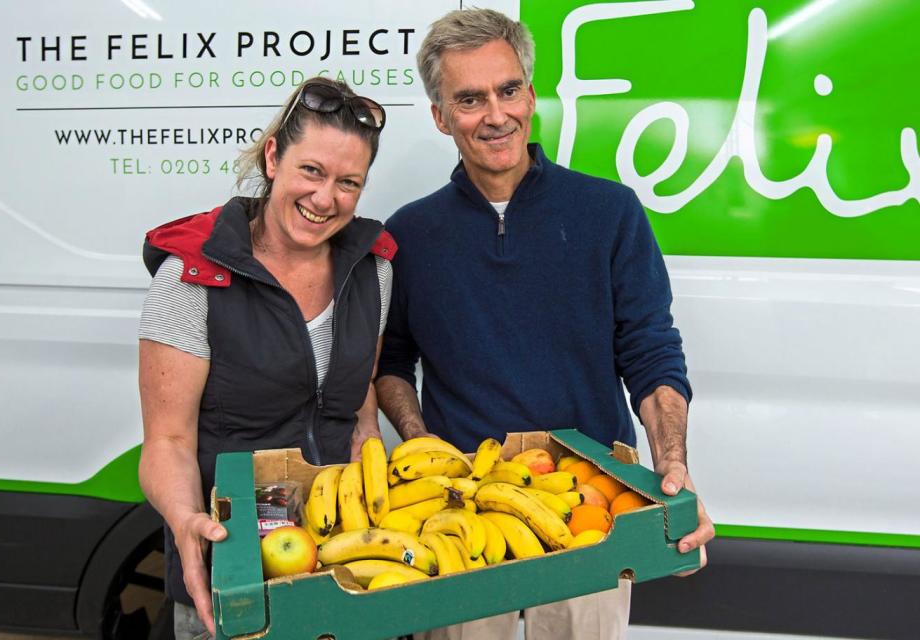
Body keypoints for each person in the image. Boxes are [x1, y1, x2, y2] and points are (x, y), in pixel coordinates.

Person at [375, 9, 714, 639]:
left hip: (591, 503)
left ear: (531, 94)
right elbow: (391, 362)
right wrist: (424, 446)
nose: (495, 114)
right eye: (469, 99)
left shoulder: (610, 212)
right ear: (441, 116)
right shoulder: (410, 234)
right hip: (463, 507)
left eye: (508, 90)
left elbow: (651, 353)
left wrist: (673, 464)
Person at [137, 77, 394, 639]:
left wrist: (371, 454)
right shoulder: (193, 276)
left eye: (348, 183)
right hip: (231, 567)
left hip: (337, 559)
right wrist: (184, 522)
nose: (326, 198)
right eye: (312, 171)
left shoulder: (373, 271)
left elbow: (359, 393)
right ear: (274, 155)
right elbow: (167, 442)